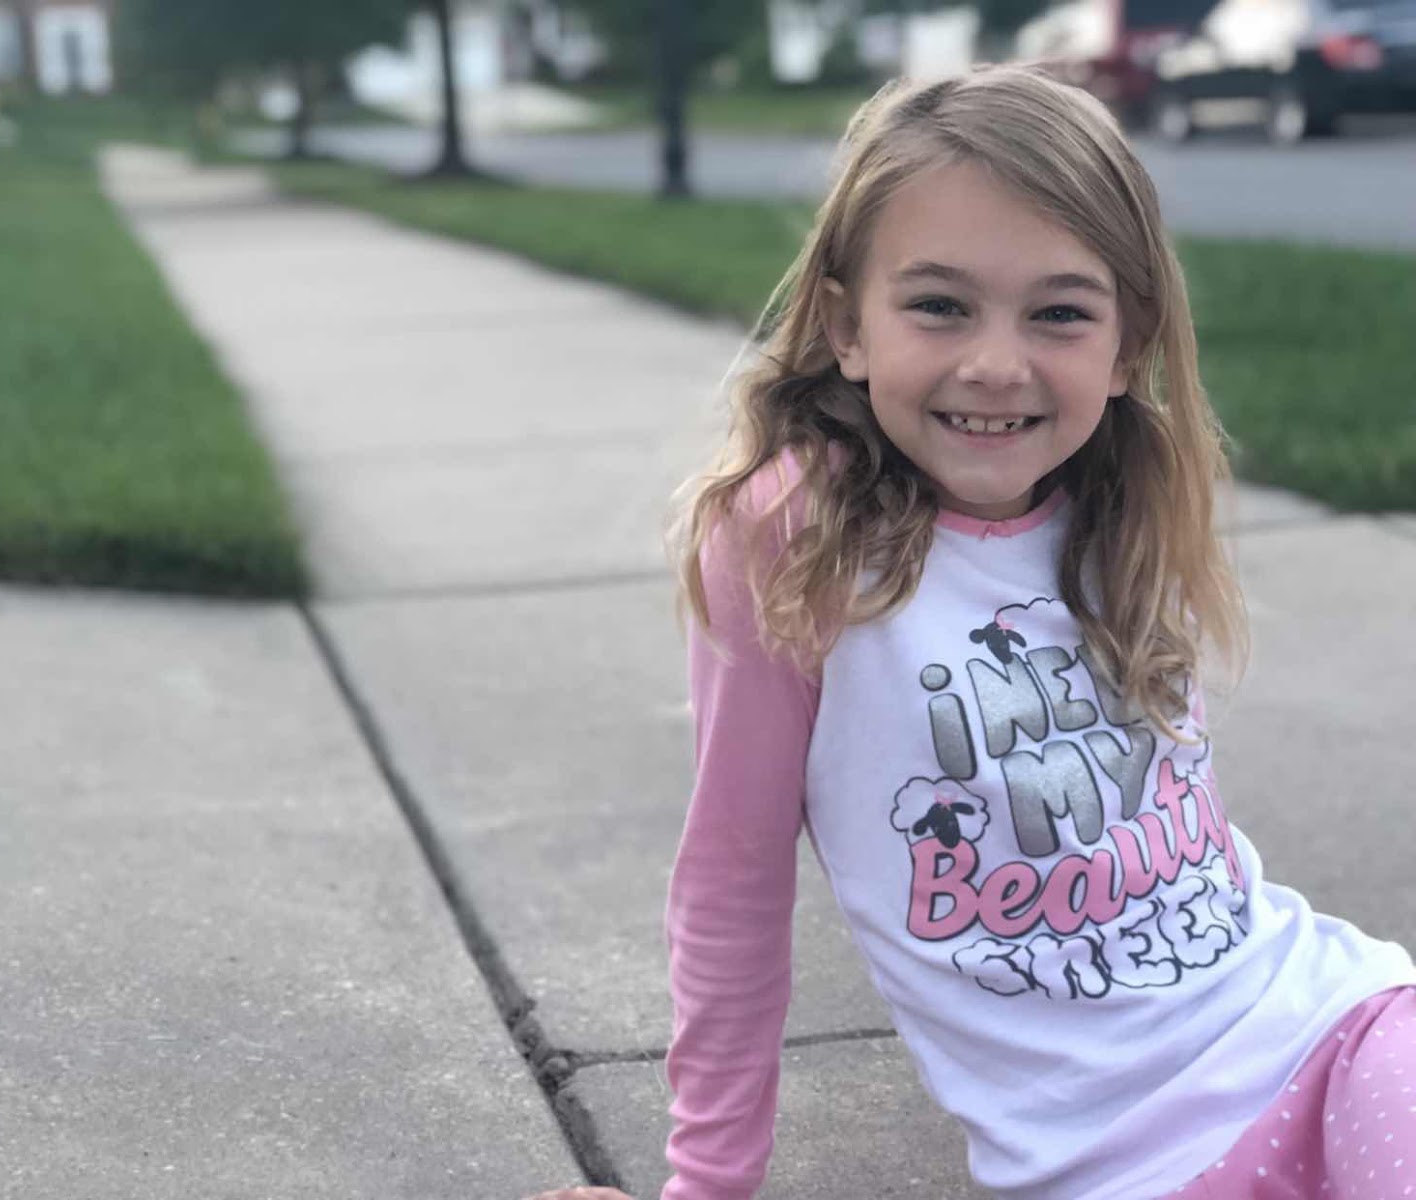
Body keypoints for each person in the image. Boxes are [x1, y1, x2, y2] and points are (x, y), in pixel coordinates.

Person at [527, 64, 1416, 1200]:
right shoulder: (797, 540)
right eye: (940, 306)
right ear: (847, 325)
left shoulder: (1122, 497)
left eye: (1060, 313)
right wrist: (707, 1186)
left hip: (1333, 1031)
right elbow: (732, 882)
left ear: (1127, 344)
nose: (996, 365)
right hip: (1122, 1162)